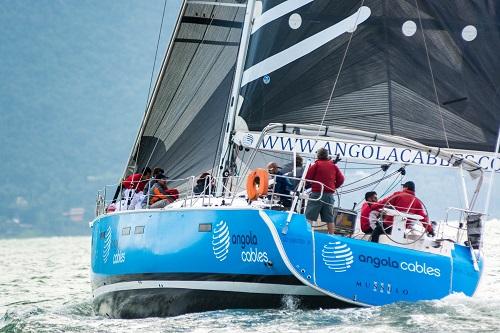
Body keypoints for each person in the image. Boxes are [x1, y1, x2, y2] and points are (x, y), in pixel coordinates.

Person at [304, 148, 345, 234]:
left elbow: (307, 178)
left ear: (318, 155)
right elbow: (341, 179)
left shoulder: (316, 165)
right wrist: (334, 187)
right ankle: (332, 235)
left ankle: (306, 233)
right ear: (327, 156)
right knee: (329, 218)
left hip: (317, 193)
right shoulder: (333, 166)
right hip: (329, 195)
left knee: (310, 216)